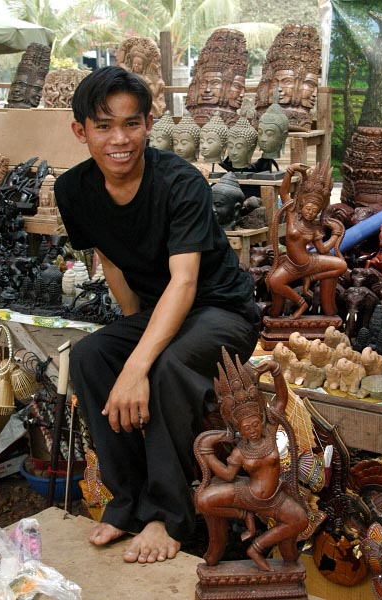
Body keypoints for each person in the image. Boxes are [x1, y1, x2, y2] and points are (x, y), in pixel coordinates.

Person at [54, 66, 260, 565]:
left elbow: (186, 282)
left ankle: (167, 517)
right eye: (103, 126)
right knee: (90, 356)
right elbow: (113, 260)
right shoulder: (74, 190)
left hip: (223, 311)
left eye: (131, 123)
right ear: (81, 130)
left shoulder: (181, 182)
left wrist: (139, 363)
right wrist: (131, 336)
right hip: (164, 311)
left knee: (166, 368)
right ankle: (125, 504)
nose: (119, 139)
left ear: (150, 123)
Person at [194, 351, 308, 571]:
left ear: (260, 419)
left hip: (274, 499)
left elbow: (282, 400)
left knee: (300, 520)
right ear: (238, 429)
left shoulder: (269, 429)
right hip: (248, 496)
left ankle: (257, 546)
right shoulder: (240, 450)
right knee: (203, 500)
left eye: (255, 424)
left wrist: (275, 371)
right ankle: (244, 516)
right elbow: (227, 475)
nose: (253, 430)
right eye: (246, 428)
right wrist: (208, 456)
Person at [266, 161, 347, 318]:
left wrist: (336, 236)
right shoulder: (292, 214)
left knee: (342, 265)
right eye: (308, 209)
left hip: (310, 264)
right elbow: (283, 192)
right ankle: (301, 303)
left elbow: (322, 250)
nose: (310, 213)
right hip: (292, 265)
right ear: (302, 205)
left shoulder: (313, 229)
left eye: (315, 211)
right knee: (274, 282)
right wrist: (291, 170)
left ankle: (312, 278)